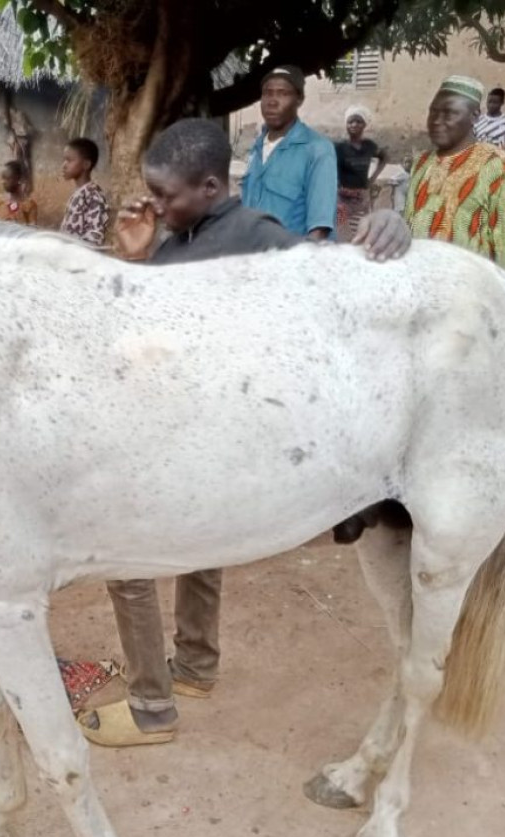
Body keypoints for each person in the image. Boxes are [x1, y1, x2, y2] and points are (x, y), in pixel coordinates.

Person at [78, 118, 412, 748]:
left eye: (166, 194)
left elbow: (331, 279)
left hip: (222, 440)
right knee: (200, 557)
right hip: (184, 434)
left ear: (210, 186)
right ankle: (196, 668)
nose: (154, 203)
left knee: (124, 561)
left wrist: (393, 230)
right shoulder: (174, 240)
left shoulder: (257, 236)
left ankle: (152, 706)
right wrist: (137, 257)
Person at [404, 76, 505, 269]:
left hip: (465, 289)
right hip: (418, 281)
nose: (436, 121)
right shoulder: (422, 162)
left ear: (475, 116)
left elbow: (502, 248)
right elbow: (409, 222)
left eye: (449, 113)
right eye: (433, 112)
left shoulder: (500, 168)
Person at [242, 65, 338, 240]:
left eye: (283, 93)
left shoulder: (317, 150)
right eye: (267, 93)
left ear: (299, 99)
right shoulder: (257, 147)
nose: (272, 101)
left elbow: (319, 231)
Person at [334, 106, 388, 242]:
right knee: (342, 235)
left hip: (362, 198)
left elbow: (384, 157)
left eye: (358, 121)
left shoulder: (369, 146)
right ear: (346, 124)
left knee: (360, 233)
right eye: (350, 122)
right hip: (342, 199)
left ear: (364, 124)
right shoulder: (339, 147)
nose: (354, 125)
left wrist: (373, 178)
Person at [60, 136, 109, 247]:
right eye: (64, 160)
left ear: (86, 165)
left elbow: (94, 238)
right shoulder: (81, 192)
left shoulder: (93, 196)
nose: (64, 165)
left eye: (69, 160)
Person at [0, 160, 37, 224]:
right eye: (3, 178)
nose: (3, 182)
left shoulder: (29, 205)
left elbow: (32, 230)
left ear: (18, 179)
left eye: (7, 178)